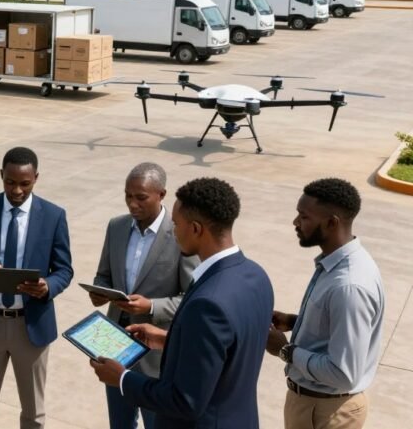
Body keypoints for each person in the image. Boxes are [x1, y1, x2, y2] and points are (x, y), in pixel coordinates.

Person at [90, 177, 274, 429]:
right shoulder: (256, 276)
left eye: (176, 225)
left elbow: (185, 401)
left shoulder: (208, 304)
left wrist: (122, 378)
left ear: (196, 229)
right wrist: (169, 340)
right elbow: (227, 351)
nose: (173, 232)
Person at [0, 146, 73, 429]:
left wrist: (48, 286)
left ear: (36, 178)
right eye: (10, 182)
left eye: (25, 183)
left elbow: (64, 269)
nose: (17, 190)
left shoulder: (54, 216)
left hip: (31, 328)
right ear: (1, 176)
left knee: (33, 414)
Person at [265, 178, 384, 429]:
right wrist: (295, 321)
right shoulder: (335, 264)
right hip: (311, 404)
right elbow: (337, 328)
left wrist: (285, 351)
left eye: (304, 217)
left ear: (331, 223)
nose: (295, 223)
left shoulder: (349, 285)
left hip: (328, 412)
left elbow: (344, 374)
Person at [90, 163, 198, 429]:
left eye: (141, 197)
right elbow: (103, 274)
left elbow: (192, 298)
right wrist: (99, 291)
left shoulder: (179, 235)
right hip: (115, 346)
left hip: (156, 356)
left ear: (162, 194)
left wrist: (151, 306)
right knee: (120, 423)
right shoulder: (116, 227)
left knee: (157, 423)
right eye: (128, 195)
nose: (132, 204)